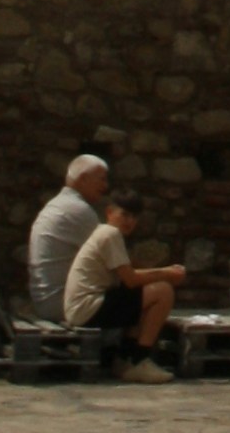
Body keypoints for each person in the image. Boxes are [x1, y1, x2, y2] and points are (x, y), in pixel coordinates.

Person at [63, 197, 186, 380]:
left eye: (134, 217)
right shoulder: (110, 234)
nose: (130, 221)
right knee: (163, 291)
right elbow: (131, 279)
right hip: (88, 307)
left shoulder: (107, 234)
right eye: (125, 215)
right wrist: (167, 273)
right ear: (110, 212)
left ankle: (124, 359)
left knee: (146, 297)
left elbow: (129, 276)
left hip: (85, 306)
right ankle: (139, 360)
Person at [28, 153, 110, 316]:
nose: (106, 186)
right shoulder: (78, 210)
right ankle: (128, 342)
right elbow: (112, 262)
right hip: (62, 303)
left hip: (46, 300)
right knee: (154, 293)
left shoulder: (57, 204)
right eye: (102, 179)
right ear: (83, 179)